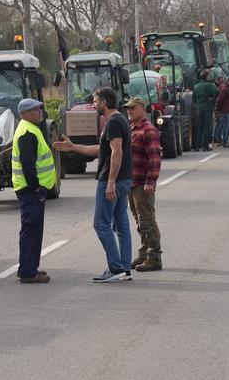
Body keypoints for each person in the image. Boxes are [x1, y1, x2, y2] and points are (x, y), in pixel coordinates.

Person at [54, 87, 133, 283]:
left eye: (96, 101)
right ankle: (124, 267)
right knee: (121, 224)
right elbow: (101, 149)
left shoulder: (114, 122)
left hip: (112, 180)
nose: (93, 104)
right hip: (123, 179)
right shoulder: (119, 119)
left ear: (105, 102)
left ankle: (115, 268)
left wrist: (111, 182)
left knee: (101, 224)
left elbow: (117, 153)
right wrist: (73, 147)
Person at [11, 98, 57, 283]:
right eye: (36, 110)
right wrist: (36, 186)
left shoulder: (29, 129)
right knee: (31, 229)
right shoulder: (28, 132)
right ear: (27, 114)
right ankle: (28, 271)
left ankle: (30, 268)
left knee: (34, 229)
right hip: (31, 190)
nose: (40, 112)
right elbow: (27, 164)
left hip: (31, 189)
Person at [124, 97, 163, 272]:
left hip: (142, 183)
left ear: (142, 109)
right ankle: (144, 253)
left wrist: (151, 182)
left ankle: (154, 258)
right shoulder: (132, 129)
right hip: (132, 183)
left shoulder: (148, 130)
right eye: (128, 109)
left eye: (133, 108)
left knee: (147, 221)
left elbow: (155, 158)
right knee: (139, 220)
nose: (129, 111)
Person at [192, 69, 219, 151]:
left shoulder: (196, 86)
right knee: (207, 127)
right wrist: (212, 99)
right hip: (208, 107)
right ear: (207, 76)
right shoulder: (210, 85)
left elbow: (194, 98)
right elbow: (217, 92)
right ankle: (205, 146)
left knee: (199, 127)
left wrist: (198, 103)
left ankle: (197, 146)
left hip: (199, 108)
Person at [215, 76, 229, 148]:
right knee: (225, 126)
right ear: (228, 81)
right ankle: (225, 142)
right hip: (225, 110)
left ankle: (224, 140)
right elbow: (220, 100)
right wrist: (218, 109)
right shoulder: (225, 89)